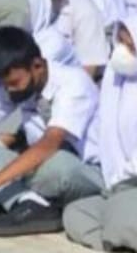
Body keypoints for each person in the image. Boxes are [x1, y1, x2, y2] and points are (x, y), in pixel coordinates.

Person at [0, 26, 103, 237]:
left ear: (37, 66)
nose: (9, 90)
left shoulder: (73, 83)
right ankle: (29, 202)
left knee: (56, 163)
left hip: (84, 172)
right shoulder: (16, 84)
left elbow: (49, 144)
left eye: (13, 83)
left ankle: (13, 197)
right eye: (5, 84)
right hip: (38, 168)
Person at [63, 13, 137, 251]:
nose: (122, 50)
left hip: (131, 183)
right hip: (116, 186)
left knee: (122, 217)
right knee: (76, 214)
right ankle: (119, 243)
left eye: (131, 46)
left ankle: (120, 234)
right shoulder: (115, 79)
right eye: (121, 42)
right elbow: (104, 135)